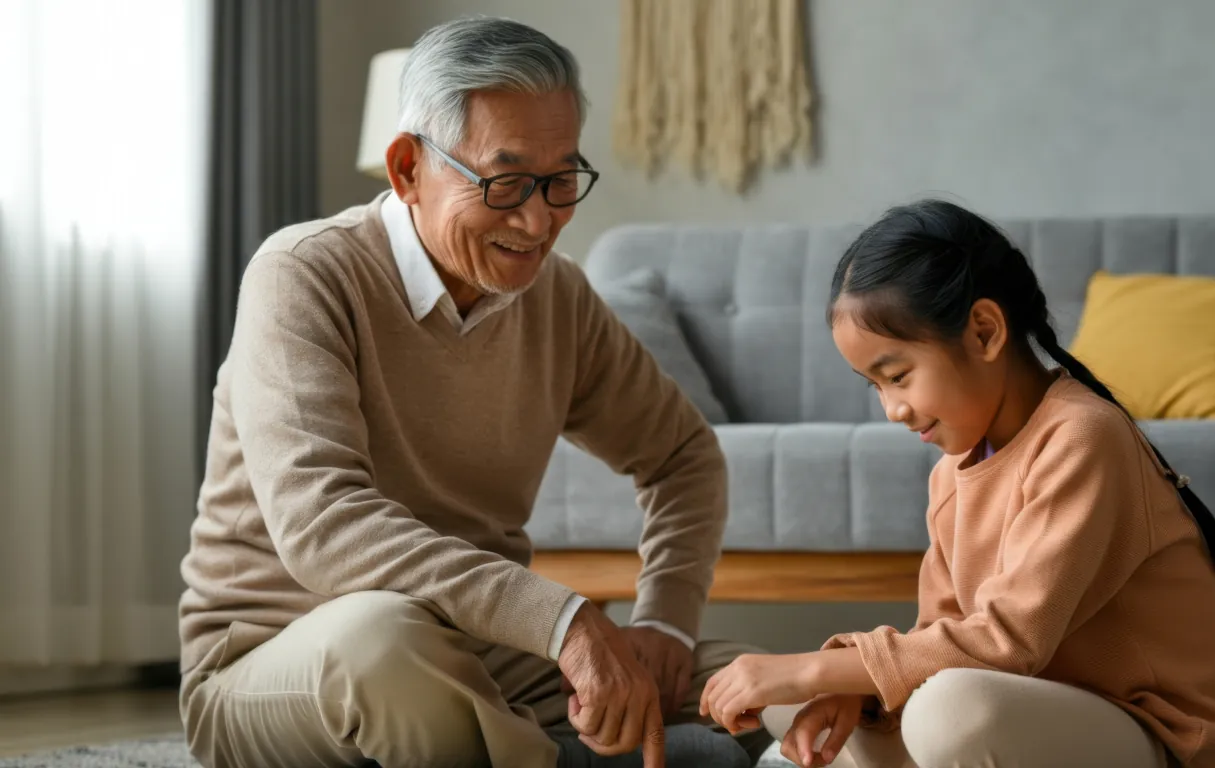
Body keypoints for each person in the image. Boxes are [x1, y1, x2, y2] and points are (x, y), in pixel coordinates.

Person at [178, 16, 771, 768]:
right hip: (281, 663)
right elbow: (322, 525)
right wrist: (565, 620)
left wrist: (667, 626)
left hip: (489, 657)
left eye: (561, 181)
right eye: (506, 181)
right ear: (406, 170)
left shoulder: (558, 298)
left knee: (760, 682)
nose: (538, 219)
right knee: (385, 641)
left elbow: (683, 456)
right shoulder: (302, 274)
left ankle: (543, 749)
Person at [697, 199, 1215, 768]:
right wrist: (854, 689)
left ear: (985, 332)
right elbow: (939, 635)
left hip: (1160, 736)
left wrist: (818, 666)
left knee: (949, 712)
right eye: (876, 387)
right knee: (804, 711)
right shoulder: (951, 474)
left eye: (899, 376)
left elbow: (1008, 641)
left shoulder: (1083, 436)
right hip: (1034, 711)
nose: (893, 409)